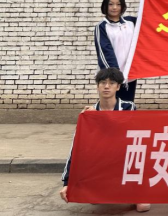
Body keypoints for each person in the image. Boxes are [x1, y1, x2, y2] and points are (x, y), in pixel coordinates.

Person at [59, 67, 150, 213]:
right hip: (101, 160)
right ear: (97, 86)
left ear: (118, 87)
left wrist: (99, 117)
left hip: (124, 158)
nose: (107, 86)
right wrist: (67, 182)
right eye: (103, 82)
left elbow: (123, 130)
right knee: (93, 198)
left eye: (112, 83)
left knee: (143, 206)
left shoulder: (128, 107)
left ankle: (137, 191)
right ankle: (98, 188)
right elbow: (76, 148)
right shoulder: (89, 114)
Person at [95, 0, 138, 102]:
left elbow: (149, 20)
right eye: (111, 4)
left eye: (118, 4)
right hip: (111, 77)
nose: (115, 7)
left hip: (129, 76)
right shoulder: (102, 26)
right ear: (105, 6)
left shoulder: (131, 23)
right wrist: (115, 75)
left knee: (127, 105)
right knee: (111, 107)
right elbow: (105, 51)